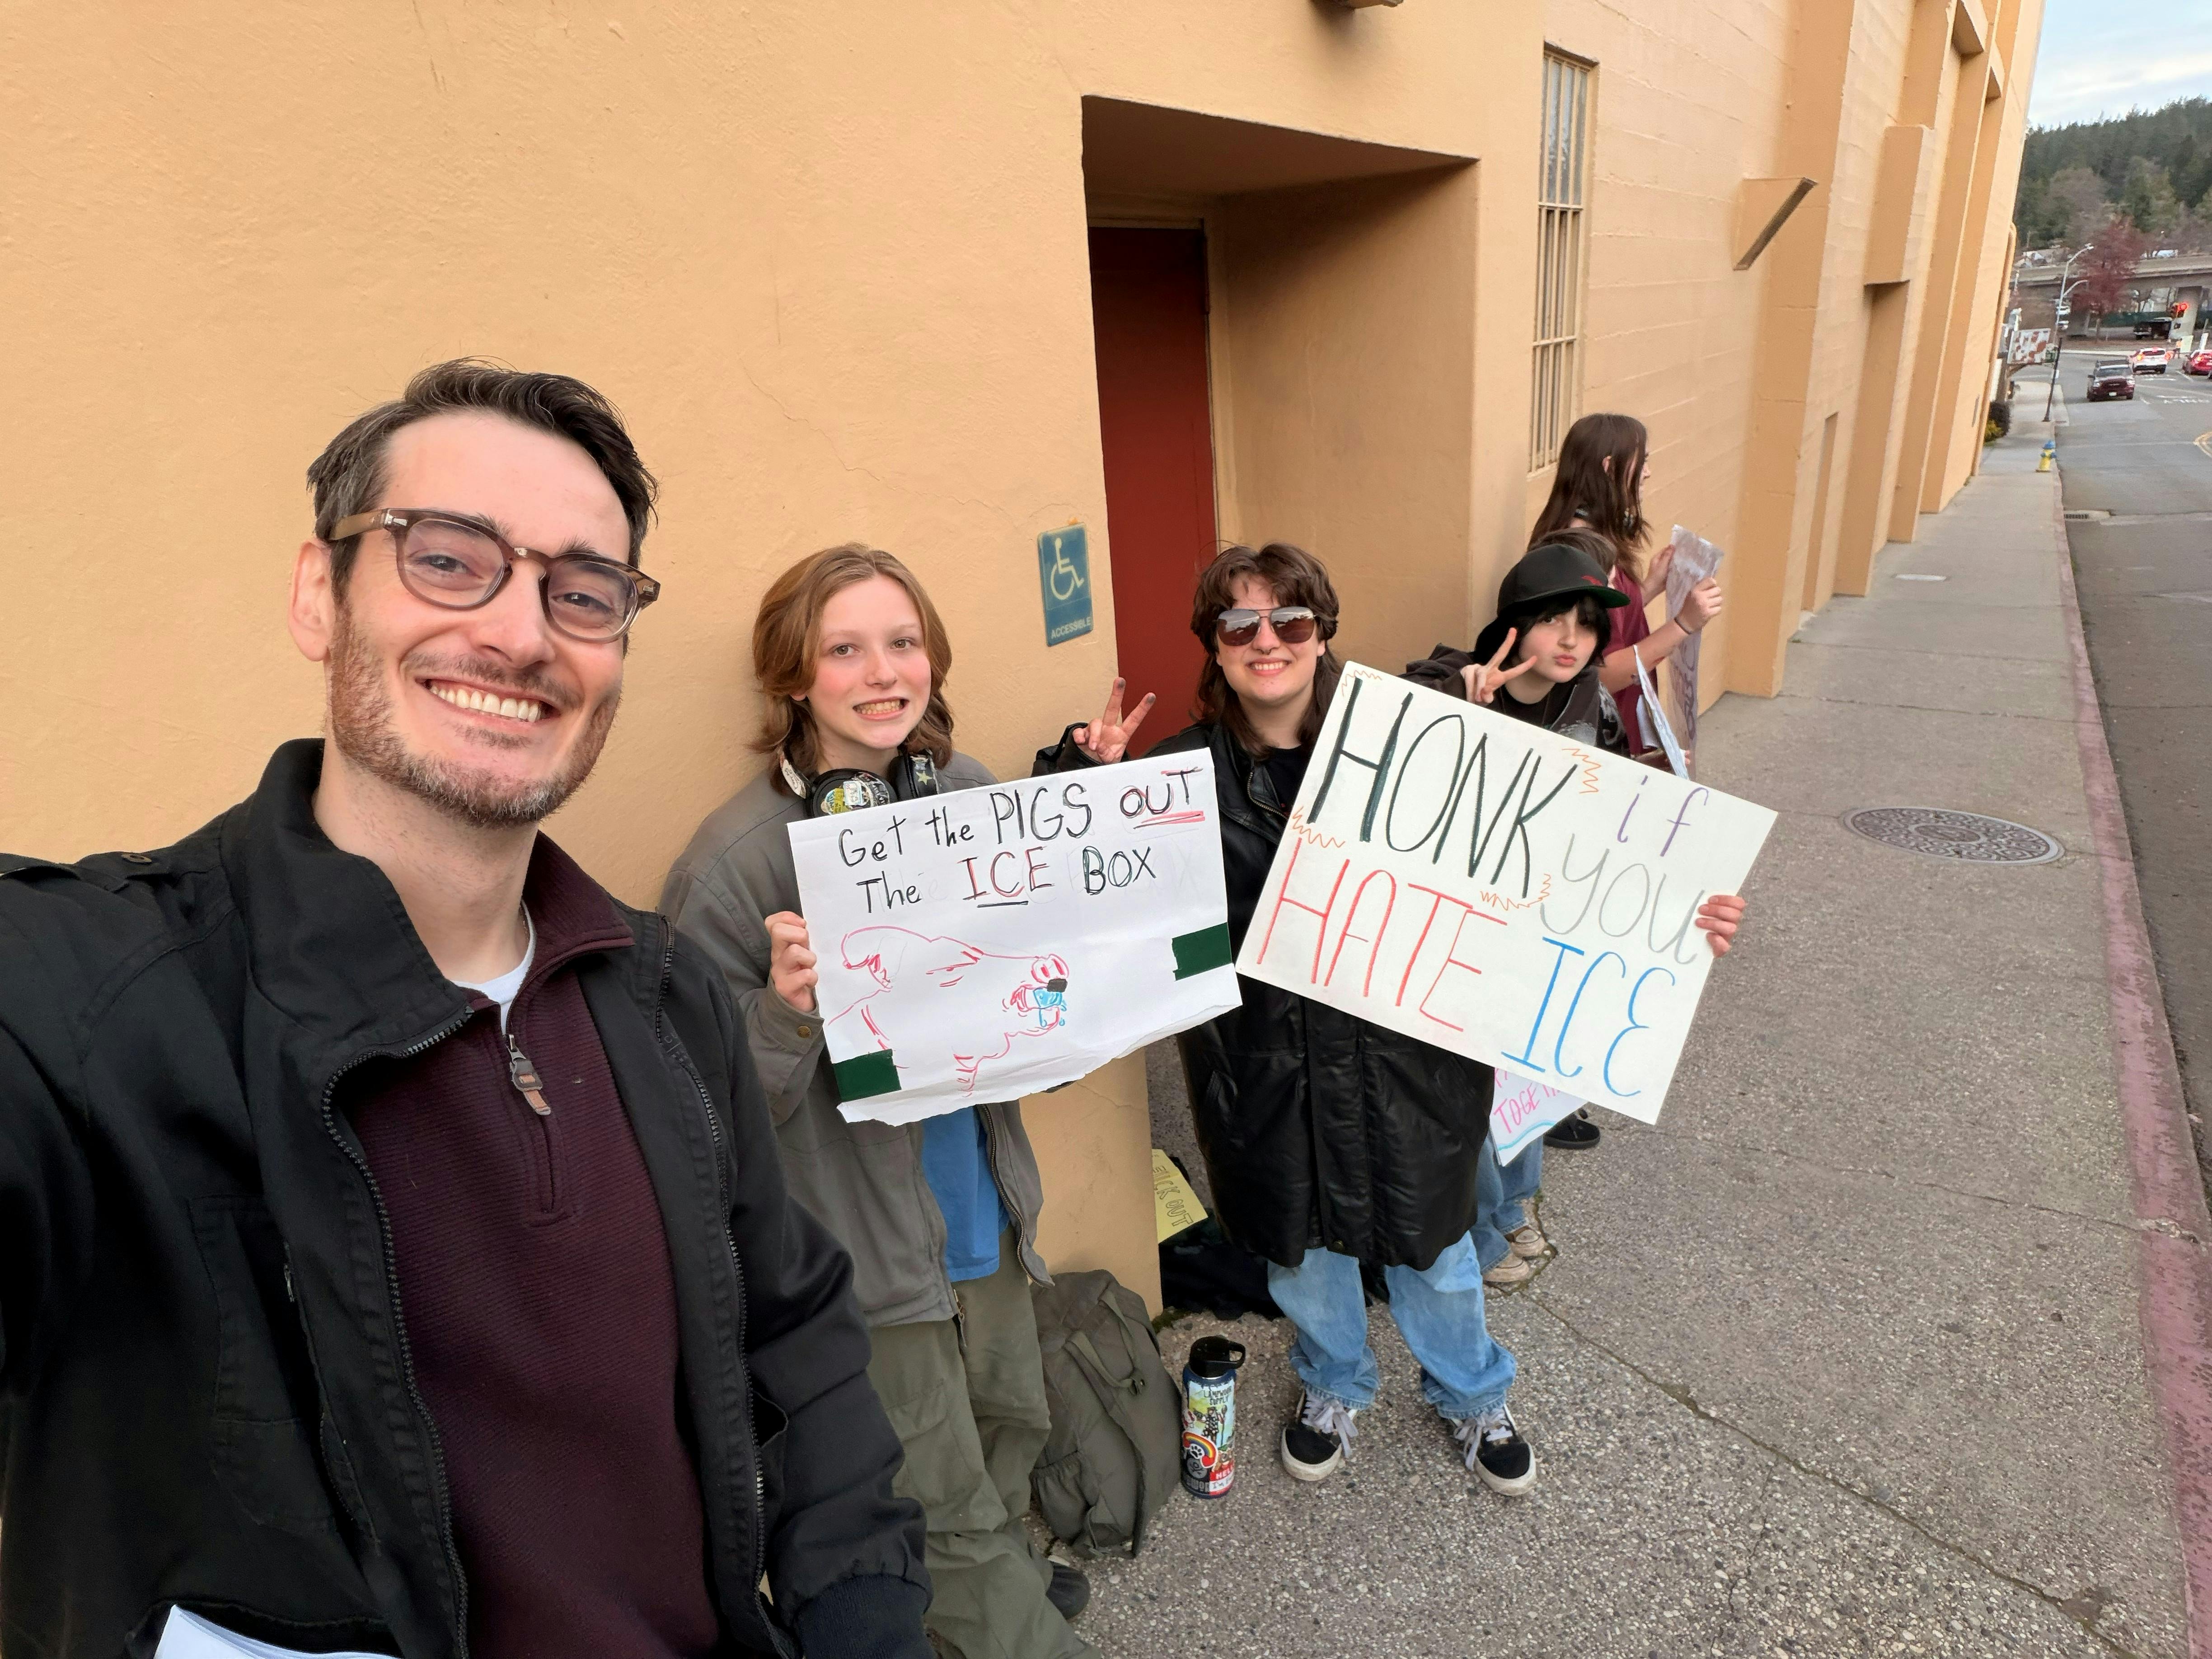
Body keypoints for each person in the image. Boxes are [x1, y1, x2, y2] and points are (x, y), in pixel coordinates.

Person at [0, 364, 934, 1659]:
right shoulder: (89, 1008)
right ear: (319, 596)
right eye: (448, 559)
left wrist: (861, 1616)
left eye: (584, 591)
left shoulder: (662, 998)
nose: (520, 633)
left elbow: (793, 1327)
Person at [661, 545, 1151, 1659]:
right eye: (845, 649)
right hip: (867, 1263)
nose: (883, 672)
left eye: (903, 642)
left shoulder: (968, 794)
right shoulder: (733, 868)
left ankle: (992, 1587)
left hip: (982, 1212)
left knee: (1009, 1429)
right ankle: (998, 1617)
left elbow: (1035, 1003)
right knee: (942, 1506)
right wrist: (786, 1011)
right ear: (794, 677)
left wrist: (1098, 851)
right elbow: (695, 1115)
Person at [1044, 544, 1552, 1497]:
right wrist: (1081, 786)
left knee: (1434, 1249)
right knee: (1301, 1251)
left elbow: (1531, 862)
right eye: (1240, 624)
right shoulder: (1172, 777)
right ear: (1214, 646)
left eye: (1291, 621)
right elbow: (1087, 905)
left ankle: (1473, 1391)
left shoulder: (1407, 745)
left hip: (1405, 1067)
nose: (1266, 640)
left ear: (1324, 635)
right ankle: (1333, 1381)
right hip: (1263, 1070)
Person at [1405, 529, 1747, 1287]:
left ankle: (1509, 1210)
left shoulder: (1592, 697)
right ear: (1513, 627)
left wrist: (1689, 900)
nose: (1571, 638)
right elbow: (1389, 742)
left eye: (1588, 623)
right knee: (1474, 1094)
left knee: (1531, 1075)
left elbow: (1633, 818)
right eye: (1554, 618)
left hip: (1545, 931)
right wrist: (1458, 705)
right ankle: (1486, 1231)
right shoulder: (1452, 682)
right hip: (1460, 938)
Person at [1528, 412, 1725, 1151]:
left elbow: (1607, 631)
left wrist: (1652, 585)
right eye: (1641, 462)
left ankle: (1555, 1089)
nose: (1649, 473)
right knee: (1577, 922)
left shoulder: (1590, 548)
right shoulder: (1578, 552)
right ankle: (1548, 1097)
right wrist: (1683, 624)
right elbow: (1591, 666)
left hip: (1610, 743)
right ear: (1613, 468)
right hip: (1594, 751)